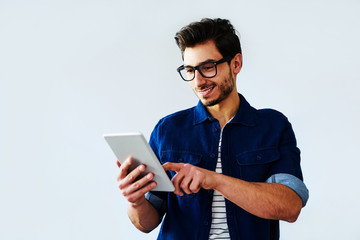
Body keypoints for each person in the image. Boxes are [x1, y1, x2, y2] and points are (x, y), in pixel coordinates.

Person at [116, 18, 309, 240]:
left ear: (235, 64)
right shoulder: (167, 130)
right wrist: (136, 200)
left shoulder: (273, 126)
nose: (198, 81)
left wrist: (214, 179)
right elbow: (147, 222)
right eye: (190, 70)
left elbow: (290, 206)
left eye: (208, 68)